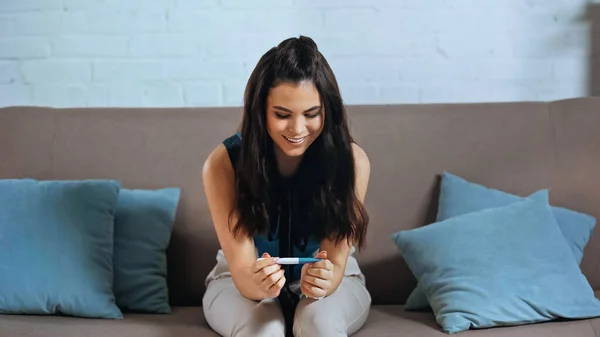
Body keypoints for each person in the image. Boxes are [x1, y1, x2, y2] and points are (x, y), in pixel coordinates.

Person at [201, 35, 372, 337]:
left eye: (311, 114)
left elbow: (335, 260)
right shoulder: (223, 163)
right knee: (263, 331)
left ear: (327, 111)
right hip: (237, 279)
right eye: (282, 115)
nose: (297, 129)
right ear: (260, 111)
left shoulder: (353, 162)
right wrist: (258, 283)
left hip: (336, 279)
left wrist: (323, 280)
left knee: (320, 325)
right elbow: (242, 271)